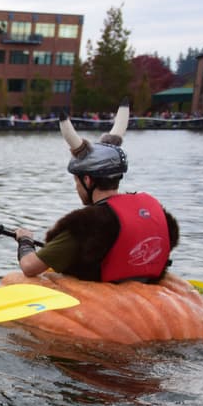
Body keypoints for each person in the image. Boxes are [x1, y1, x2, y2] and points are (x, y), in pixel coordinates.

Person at [15, 104, 178, 282]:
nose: (76, 188)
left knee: (17, 281)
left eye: (77, 181)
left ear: (87, 180)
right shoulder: (154, 210)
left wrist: (25, 241)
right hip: (150, 294)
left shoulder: (86, 225)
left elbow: (29, 267)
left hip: (106, 301)